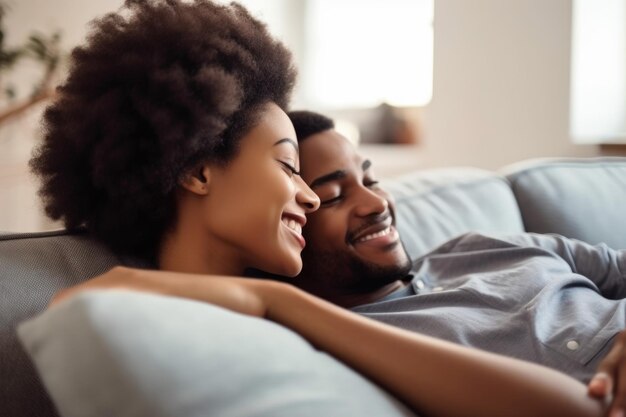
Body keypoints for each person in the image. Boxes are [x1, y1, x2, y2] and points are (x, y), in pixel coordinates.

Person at [30, 1, 609, 416]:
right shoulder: (300, 323)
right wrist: (271, 300)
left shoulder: (287, 299)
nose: (306, 196)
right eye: (290, 168)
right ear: (198, 171)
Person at [288, 109, 626, 417]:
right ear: (292, 227)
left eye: (371, 180)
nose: (377, 203)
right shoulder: (360, 347)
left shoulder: (484, 245)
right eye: (333, 196)